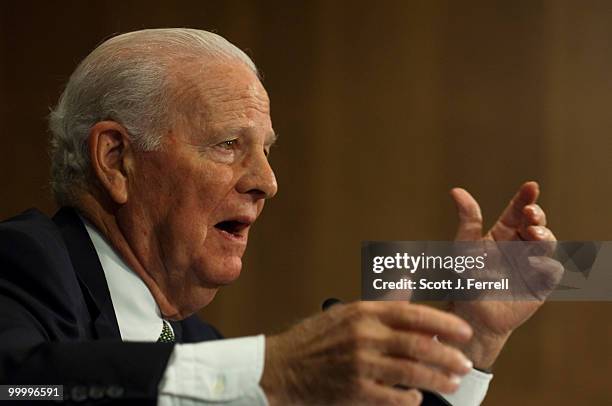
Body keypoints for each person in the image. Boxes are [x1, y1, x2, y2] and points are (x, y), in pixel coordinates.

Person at [0, 28, 558, 405]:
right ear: (116, 159)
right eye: (226, 144)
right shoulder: (22, 266)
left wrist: (471, 342)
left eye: (266, 150)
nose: (266, 182)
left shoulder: (196, 345)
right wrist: (277, 370)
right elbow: (22, 388)